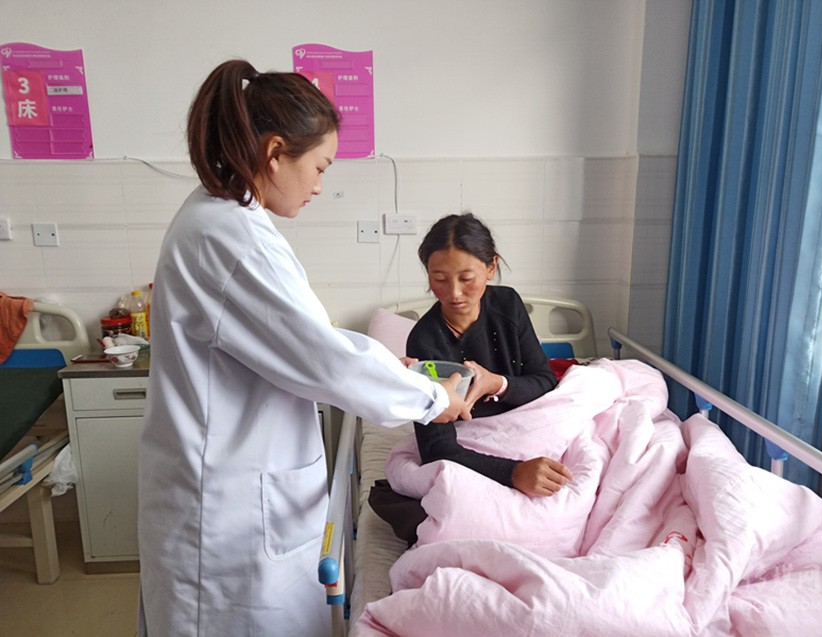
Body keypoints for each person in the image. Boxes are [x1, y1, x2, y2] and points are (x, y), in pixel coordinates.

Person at [137, 59, 470, 637]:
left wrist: (386, 367)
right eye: (319, 166)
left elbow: (302, 339)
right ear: (274, 153)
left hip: (234, 483)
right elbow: (322, 358)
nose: (319, 185)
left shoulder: (223, 219)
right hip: (226, 511)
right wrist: (431, 397)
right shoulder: (231, 238)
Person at [370, 213, 573, 545]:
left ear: (491, 267)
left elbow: (545, 382)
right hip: (477, 448)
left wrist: (498, 384)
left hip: (532, 425)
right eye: (439, 278)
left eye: (467, 278)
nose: (454, 293)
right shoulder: (425, 341)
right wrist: (514, 473)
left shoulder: (507, 305)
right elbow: (437, 449)